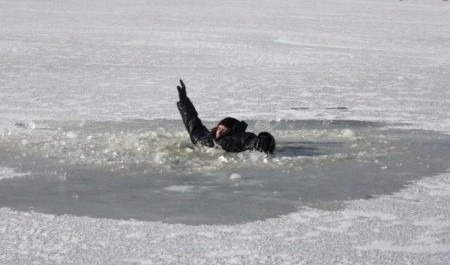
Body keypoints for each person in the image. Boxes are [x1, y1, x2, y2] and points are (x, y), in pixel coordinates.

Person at [176, 79, 276, 154]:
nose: (220, 131)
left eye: (224, 129)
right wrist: (184, 101)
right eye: (219, 128)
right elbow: (192, 121)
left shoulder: (241, 138)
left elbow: (263, 145)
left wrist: (265, 136)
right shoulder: (205, 137)